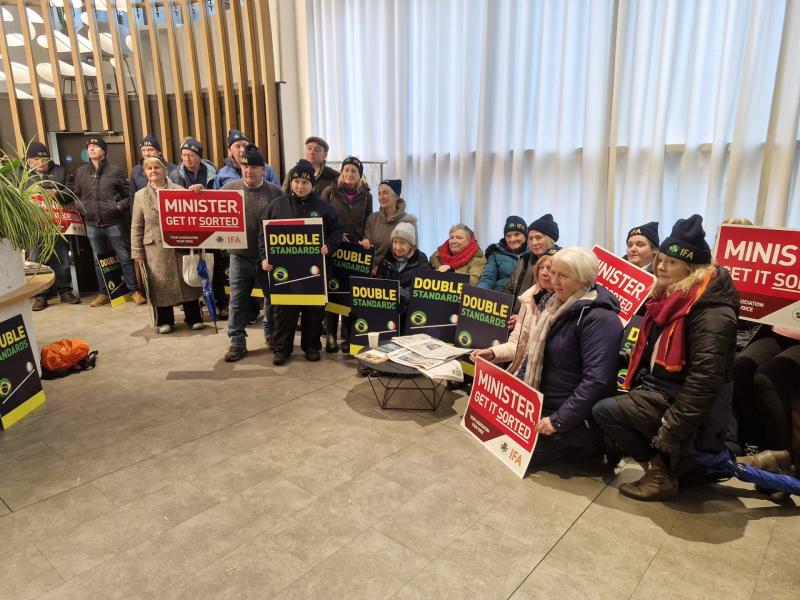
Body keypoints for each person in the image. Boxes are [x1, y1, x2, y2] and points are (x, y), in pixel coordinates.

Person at [592, 215, 739, 501]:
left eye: (671, 262)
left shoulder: (712, 312)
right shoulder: (672, 297)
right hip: (663, 388)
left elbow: (704, 383)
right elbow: (653, 354)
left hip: (695, 409)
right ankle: (680, 467)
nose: (660, 266)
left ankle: (660, 475)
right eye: (661, 259)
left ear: (691, 267)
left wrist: (672, 429)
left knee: (604, 411)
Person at [472, 247, 623, 468]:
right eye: (553, 273)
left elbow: (596, 381)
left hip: (569, 415)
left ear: (584, 279)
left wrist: (557, 421)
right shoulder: (553, 306)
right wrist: (517, 398)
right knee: (490, 436)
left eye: (563, 275)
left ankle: (590, 445)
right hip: (541, 403)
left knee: (513, 454)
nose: (554, 280)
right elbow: (531, 356)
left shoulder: (600, 318)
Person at [261, 160, 344, 365]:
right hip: (284, 272)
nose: (299, 186)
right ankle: (282, 349)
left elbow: (337, 231)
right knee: (283, 312)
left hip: (314, 272)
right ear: (291, 182)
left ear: (312, 185)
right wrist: (265, 257)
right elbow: (263, 235)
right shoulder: (278, 205)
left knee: (313, 312)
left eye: (304, 183)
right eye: (296, 181)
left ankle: (311, 346)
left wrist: (329, 246)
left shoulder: (323, 207)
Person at [221, 145, 283, 361]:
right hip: (239, 256)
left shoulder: (276, 193)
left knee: (271, 299)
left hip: (268, 258)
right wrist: (197, 192)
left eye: (254, 167)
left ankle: (272, 336)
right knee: (237, 301)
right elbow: (206, 208)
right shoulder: (228, 190)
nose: (249, 171)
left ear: (263, 169)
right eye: (245, 166)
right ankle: (237, 342)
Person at [130, 157, 203, 333]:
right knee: (159, 284)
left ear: (164, 170)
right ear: (145, 173)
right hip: (154, 248)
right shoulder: (140, 196)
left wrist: (196, 191)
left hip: (179, 245)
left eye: (156, 167)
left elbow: (192, 217)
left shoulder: (179, 190)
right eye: (149, 169)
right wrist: (137, 252)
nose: (153, 171)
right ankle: (164, 321)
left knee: (187, 281)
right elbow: (136, 226)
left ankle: (194, 317)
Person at [74, 137, 144, 306]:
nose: (91, 149)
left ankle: (134, 291)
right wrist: (82, 208)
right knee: (98, 261)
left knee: (125, 257)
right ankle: (103, 293)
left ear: (104, 152)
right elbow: (75, 195)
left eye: (95, 146)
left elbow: (129, 196)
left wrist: (118, 207)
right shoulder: (80, 172)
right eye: (89, 146)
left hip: (114, 222)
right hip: (91, 223)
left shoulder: (116, 171)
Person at [168, 138, 228, 319]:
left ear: (199, 157)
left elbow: (221, 196)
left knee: (215, 266)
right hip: (187, 229)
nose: (187, 159)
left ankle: (221, 303)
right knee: (190, 266)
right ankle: (194, 308)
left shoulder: (213, 173)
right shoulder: (174, 176)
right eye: (184, 155)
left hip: (210, 227)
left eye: (191, 155)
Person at [321, 156, 373, 353]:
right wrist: (333, 236)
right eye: (347, 170)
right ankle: (331, 335)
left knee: (351, 292)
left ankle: (348, 335)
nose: (350, 174)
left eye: (354, 171)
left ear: (360, 175)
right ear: (341, 172)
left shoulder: (367, 195)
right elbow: (322, 220)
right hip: (334, 247)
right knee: (333, 288)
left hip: (355, 250)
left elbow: (369, 221)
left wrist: (366, 239)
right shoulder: (329, 192)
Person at [733, 326, 800, 475]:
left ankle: (782, 461)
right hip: (781, 328)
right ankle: (754, 447)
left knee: (767, 378)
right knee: (740, 368)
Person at [24, 142, 81, 310]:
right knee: (37, 259)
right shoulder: (21, 174)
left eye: (45, 160)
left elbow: (71, 191)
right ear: (29, 161)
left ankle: (65, 291)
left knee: (62, 257)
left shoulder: (60, 171)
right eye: (38, 160)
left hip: (58, 223)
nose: (42, 163)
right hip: (35, 225)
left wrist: (57, 193)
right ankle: (41, 295)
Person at [376, 222, 432, 330]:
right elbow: (379, 282)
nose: (397, 247)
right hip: (388, 311)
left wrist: (401, 296)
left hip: (411, 313)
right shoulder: (385, 260)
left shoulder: (421, 260)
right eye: (395, 242)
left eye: (402, 243)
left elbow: (421, 288)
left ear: (411, 244)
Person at [503, 214, 560, 313]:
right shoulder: (524, 259)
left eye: (538, 238)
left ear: (549, 239)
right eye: (530, 238)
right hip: (514, 318)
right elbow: (508, 289)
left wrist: (521, 317)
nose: (534, 243)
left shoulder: (560, 261)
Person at [361, 179, 417, 266]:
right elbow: (368, 249)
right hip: (372, 271)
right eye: (379, 194)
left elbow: (412, 252)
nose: (381, 197)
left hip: (396, 271)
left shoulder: (408, 221)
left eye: (385, 193)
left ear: (396, 197)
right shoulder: (372, 219)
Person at [477, 216, 530, 291]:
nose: (512, 239)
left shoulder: (534, 253)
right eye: (508, 236)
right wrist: (478, 294)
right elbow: (487, 279)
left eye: (517, 234)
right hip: (500, 298)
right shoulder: (496, 254)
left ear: (525, 235)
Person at [215, 130, 280, 188]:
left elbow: (277, 195)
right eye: (237, 146)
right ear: (230, 151)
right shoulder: (222, 174)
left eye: (245, 145)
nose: (242, 149)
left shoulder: (265, 169)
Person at [129, 134, 175, 206]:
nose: (146, 153)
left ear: (159, 152)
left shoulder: (173, 170)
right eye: (143, 150)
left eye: (150, 150)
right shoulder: (136, 171)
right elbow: (132, 199)